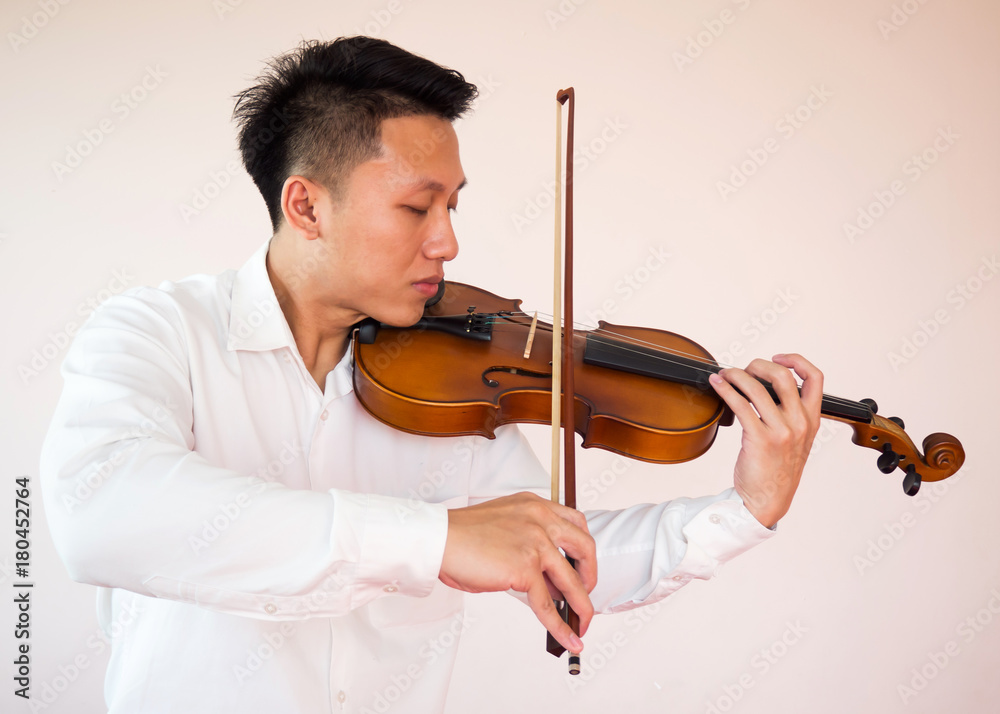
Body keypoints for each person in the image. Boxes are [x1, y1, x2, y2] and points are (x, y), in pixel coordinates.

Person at [40, 36, 823, 713]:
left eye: (454, 206)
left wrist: (747, 508)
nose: (448, 243)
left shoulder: (449, 383)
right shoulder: (155, 333)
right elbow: (103, 508)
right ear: (306, 207)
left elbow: (558, 557)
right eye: (418, 208)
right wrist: (435, 538)